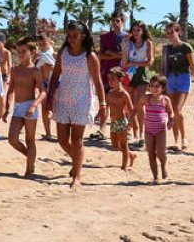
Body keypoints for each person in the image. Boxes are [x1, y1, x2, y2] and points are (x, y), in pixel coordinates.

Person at [45, 21, 106, 189]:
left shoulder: (89, 56)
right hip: (63, 99)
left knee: (77, 140)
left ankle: (77, 175)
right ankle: (78, 161)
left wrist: (102, 105)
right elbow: (55, 76)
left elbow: (98, 82)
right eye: (69, 36)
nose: (71, 39)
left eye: (75, 36)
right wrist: (49, 98)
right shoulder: (62, 53)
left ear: (83, 36)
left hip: (82, 100)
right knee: (63, 141)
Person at [3, 37, 47, 177]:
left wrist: (34, 105)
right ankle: (30, 156)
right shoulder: (14, 69)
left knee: (30, 139)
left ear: (32, 52)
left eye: (23, 51)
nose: (20, 54)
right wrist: (6, 108)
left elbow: (43, 92)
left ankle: (29, 169)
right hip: (18, 107)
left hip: (30, 105)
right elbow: (10, 90)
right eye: (19, 52)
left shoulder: (35, 70)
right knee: (12, 139)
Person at [161, 22, 194, 151]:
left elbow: (193, 65)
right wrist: (161, 83)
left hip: (183, 78)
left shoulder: (186, 47)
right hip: (171, 79)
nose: (170, 35)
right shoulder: (166, 49)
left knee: (178, 109)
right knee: (172, 111)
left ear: (179, 32)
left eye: (172, 31)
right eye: (168, 32)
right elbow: (164, 66)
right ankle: (176, 141)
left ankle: (184, 138)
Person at [93, 12, 128, 139]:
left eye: (117, 20)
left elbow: (125, 56)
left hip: (123, 73)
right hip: (107, 72)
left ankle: (125, 129)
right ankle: (102, 129)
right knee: (105, 101)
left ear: (123, 21)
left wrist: (111, 53)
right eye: (113, 20)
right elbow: (100, 55)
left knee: (122, 102)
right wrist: (115, 54)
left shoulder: (127, 37)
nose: (115, 23)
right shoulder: (105, 37)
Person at [136, 75, 175, 184]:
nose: (154, 88)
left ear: (163, 88)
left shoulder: (165, 99)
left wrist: (171, 119)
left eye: (157, 86)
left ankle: (163, 166)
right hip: (148, 130)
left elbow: (171, 111)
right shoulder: (145, 98)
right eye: (152, 86)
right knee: (151, 153)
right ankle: (155, 176)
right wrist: (130, 120)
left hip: (161, 130)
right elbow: (136, 108)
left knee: (161, 152)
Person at [122, 20, 155, 145]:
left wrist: (134, 63)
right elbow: (125, 62)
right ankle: (135, 133)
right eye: (134, 30)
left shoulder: (148, 43)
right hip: (129, 73)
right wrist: (125, 47)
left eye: (138, 30)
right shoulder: (128, 43)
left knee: (139, 103)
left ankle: (142, 133)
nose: (135, 32)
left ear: (143, 31)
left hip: (141, 74)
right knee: (129, 104)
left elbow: (149, 62)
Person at [104, 67, 135, 171]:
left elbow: (132, 110)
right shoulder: (110, 93)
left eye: (113, 78)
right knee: (114, 145)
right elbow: (106, 106)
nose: (110, 81)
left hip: (122, 121)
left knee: (123, 144)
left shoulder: (124, 94)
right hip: (113, 122)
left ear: (120, 79)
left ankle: (124, 166)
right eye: (109, 79)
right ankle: (131, 155)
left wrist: (130, 123)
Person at [36, 32, 56, 142]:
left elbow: (59, 69)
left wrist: (51, 66)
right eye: (40, 44)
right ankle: (48, 133)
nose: (42, 46)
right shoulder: (39, 55)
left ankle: (62, 134)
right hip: (43, 84)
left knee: (56, 110)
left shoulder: (53, 54)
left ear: (49, 42)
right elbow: (35, 67)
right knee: (44, 110)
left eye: (44, 43)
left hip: (54, 84)